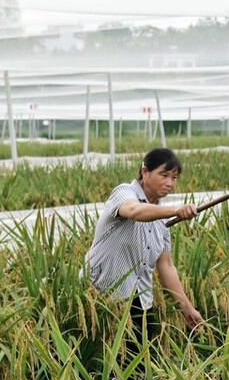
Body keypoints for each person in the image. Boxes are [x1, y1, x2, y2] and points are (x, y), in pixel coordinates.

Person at [85, 147, 204, 353]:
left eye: (174, 178)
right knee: (110, 363)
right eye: (164, 175)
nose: (169, 183)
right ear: (144, 171)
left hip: (140, 301)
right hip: (104, 298)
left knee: (142, 365)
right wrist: (176, 209)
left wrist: (187, 307)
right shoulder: (124, 192)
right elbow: (135, 211)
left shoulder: (163, 218)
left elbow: (166, 265)